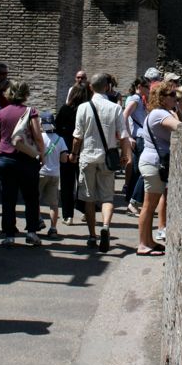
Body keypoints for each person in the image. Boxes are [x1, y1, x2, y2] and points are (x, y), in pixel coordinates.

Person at [70, 72, 130, 252]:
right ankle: (105, 226)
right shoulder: (115, 108)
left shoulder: (83, 108)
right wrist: (125, 155)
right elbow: (124, 136)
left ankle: (92, 235)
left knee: (88, 198)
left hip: (88, 156)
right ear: (107, 87)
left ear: (90, 87)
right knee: (106, 197)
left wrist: (73, 154)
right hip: (107, 157)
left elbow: (77, 136)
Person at [0, 81, 45, 246]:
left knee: (8, 197)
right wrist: (41, 153)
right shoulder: (31, 112)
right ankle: (31, 232)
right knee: (31, 197)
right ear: (26, 94)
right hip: (27, 160)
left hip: (5, 160)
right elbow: (37, 136)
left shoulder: (1, 113)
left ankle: (9, 234)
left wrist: (2, 149)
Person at [137, 80, 180, 256]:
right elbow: (180, 127)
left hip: (152, 162)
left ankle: (148, 241)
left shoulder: (158, 112)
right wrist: (175, 114)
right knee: (148, 206)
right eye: (172, 95)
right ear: (162, 97)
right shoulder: (159, 114)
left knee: (150, 205)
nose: (175, 98)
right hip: (153, 163)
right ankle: (142, 244)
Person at [55, 83, 89, 225]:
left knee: (67, 184)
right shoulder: (88, 111)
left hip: (66, 151)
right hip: (85, 151)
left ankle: (67, 215)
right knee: (85, 184)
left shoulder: (64, 109)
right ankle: (86, 211)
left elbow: (57, 130)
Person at [38, 111, 68, 238]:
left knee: (35, 199)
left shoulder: (39, 137)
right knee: (54, 204)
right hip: (55, 174)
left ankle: (38, 220)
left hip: (40, 172)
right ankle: (53, 228)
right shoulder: (60, 139)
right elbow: (64, 159)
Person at [123, 76, 149, 215]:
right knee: (140, 171)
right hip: (138, 138)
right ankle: (133, 201)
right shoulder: (136, 99)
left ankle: (130, 201)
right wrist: (128, 136)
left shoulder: (139, 99)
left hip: (139, 137)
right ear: (140, 86)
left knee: (136, 171)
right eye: (147, 87)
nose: (149, 90)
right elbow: (124, 115)